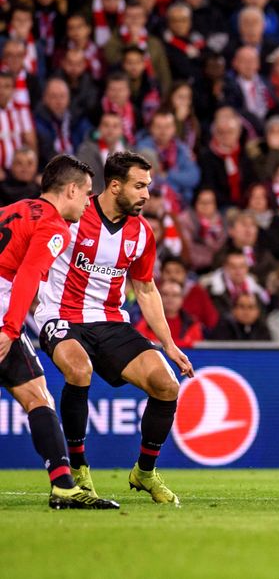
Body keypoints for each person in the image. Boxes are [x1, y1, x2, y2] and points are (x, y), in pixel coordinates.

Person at [35, 152, 195, 507]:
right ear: (115, 185)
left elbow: (147, 289)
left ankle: (145, 471)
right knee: (79, 370)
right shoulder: (73, 215)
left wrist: (168, 344)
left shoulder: (141, 234)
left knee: (166, 384)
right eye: (139, 186)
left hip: (109, 320)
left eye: (149, 187)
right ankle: (78, 471)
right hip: (60, 315)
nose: (146, 195)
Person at [0, 154, 119, 509]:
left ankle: (64, 483)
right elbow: (26, 277)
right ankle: (64, 486)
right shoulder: (54, 226)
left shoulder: (12, 209)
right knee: (38, 398)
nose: (88, 202)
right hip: (2, 314)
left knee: (36, 394)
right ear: (70, 189)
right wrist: (9, 328)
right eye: (86, 193)